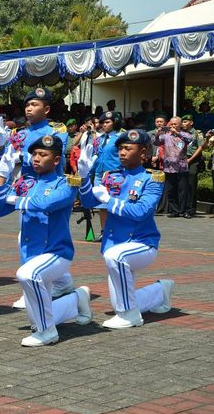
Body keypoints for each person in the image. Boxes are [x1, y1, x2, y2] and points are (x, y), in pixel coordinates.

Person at [0, 135, 91, 346]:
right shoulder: (25, 183)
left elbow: (44, 203)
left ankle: (48, 332)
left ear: (55, 160)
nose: (36, 158)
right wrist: (2, 176)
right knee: (37, 315)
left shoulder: (65, 183)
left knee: (27, 276)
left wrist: (14, 199)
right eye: (34, 154)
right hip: (31, 255)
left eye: (42, 154)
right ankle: (77, 299)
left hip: (56, 252)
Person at [78, 129, 174, 328]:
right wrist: (84, 177)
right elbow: (88, 202)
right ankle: (160, 291)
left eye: (128, 149)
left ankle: (130, 315)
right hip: (115, 244)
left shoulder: (152, 179)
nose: (122, 152)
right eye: (120, 148)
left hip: (141, 243)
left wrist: (109, 200)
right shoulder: (110, 176)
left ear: (143, 153)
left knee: (116, 258)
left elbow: (140, 211)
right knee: (118, 302)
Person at [0, 87, 74, 306]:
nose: (29, 109)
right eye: (27, 105)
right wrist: (0, 148)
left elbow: (56, 155)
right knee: (26, 237)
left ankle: (47, 282)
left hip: (51, 188)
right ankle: (44, 283)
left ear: (46, 109)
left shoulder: (56, 130)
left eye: (35, 105)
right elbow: (4, 163)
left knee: (49, 235)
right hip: (27, 186)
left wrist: (23, 157)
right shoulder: (19, 134)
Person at [90, 111, 123, 241]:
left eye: (108, 122)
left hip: (115, 174)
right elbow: (94, 156)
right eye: (102, 122)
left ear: (115, 123)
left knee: (114, 204)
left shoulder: (121, 138)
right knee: (101, 206)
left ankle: (116, 231)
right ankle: (104, 232)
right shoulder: (98, 139)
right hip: (99, 174)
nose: (104, 125)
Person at [153, 116, 192, 217]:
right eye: (172, 124)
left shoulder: (184, 134)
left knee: (183, 190)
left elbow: (189, 139)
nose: (173, 126)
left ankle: (184, 210)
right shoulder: (166, 136)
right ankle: (175, 210)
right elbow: (156, 142)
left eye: (175, 124)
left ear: (180, 124)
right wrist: (158, 133)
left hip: (181, 167)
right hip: (169, 167)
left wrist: (177, 133)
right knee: (171, 190)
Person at [182, 115, 204, 218]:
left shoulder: (197, 133)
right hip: (182, 161)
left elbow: (200, 147)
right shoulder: (181, 133)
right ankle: (183, 207)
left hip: (193, 161)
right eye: (182, 122)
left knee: (191, 185)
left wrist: (190, 159)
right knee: (183, 184)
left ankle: (191, 209)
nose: (183, 124)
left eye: (185, 122)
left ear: (191, 122)